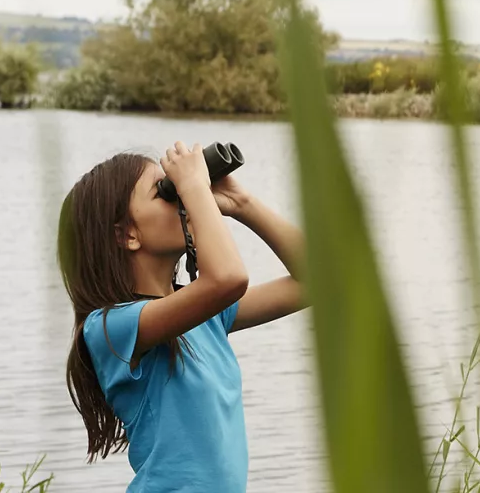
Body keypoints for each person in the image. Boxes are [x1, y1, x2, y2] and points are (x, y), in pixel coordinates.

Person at [59, 142, 308, 492]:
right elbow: (227, 279)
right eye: (164, 192)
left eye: (173, 187)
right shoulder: (110, 328)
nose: (181, 200)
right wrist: (192, 187)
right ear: (127, 234)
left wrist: (241, 203)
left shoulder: (204, 316)